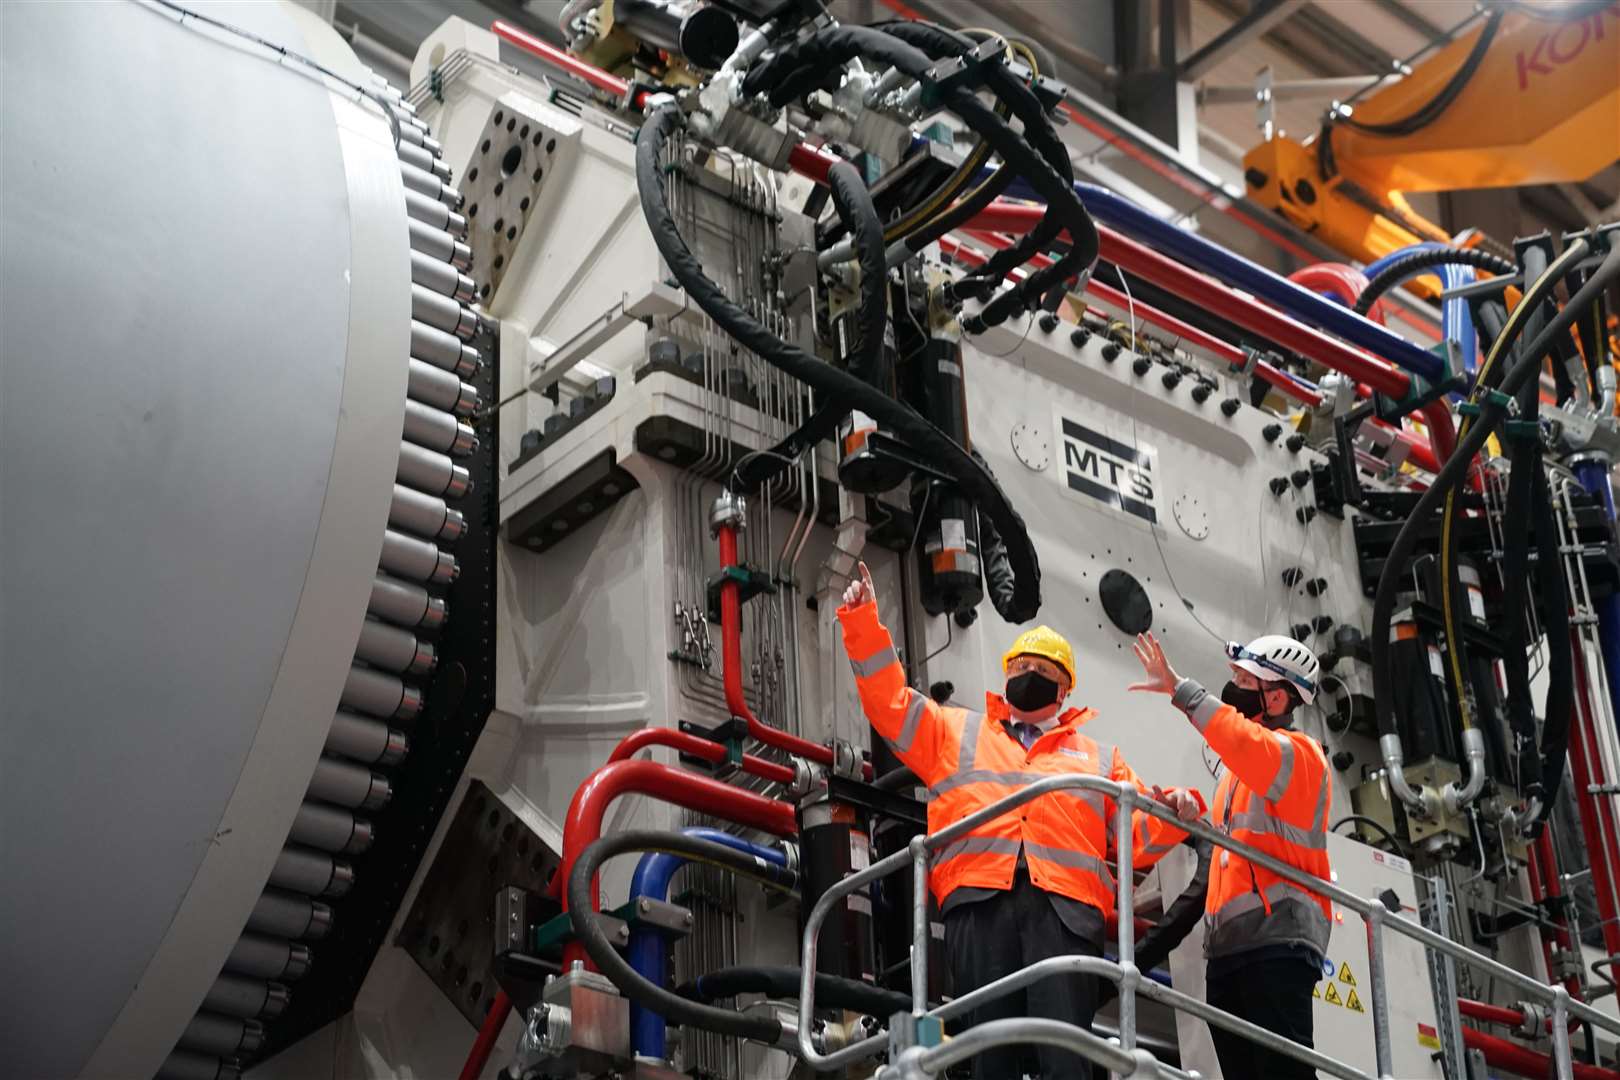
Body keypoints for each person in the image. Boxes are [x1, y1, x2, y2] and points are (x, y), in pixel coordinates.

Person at [838, 561, 1204, 1080]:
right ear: (1006, 674)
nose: (1029, 677)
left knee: (1066, 1055)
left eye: (1045, 673)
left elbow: (1137, 834)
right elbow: (891, 704)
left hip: (1066, 916)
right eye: (1021, 668)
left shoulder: (1100, 760)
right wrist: (862, 624)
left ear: (1065, 690)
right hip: (979, 904)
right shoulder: (957, 731)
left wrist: (1177, 811)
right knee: (991, 1054)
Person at [1130, 630, 1332, 1080]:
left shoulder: (1300, 757)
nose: (1233, 686)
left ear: (1276, 697)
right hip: (1229, 949)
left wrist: (1180, 690)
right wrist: (1191, 814)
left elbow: (1243, 741)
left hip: (1278, 941)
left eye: (1244, 678)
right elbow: (1231, 850)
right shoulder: (1238, 778)